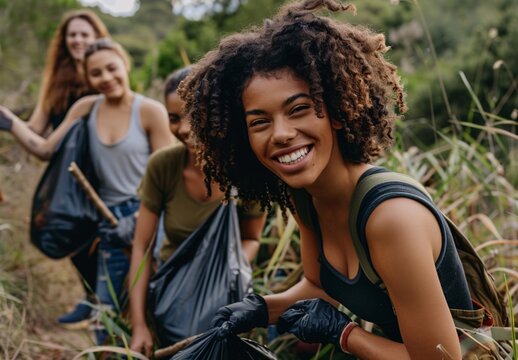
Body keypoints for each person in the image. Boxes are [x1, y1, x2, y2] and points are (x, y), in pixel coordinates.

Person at [177, 0, 476, 359]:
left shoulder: (391, 218)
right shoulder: (305, 196)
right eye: (259, 122)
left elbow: (441, 359)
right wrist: (262, 309)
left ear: (335, 112)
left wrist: (345, 333)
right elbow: (319, 286)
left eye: (298, 109)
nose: (281, 134)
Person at [0, 38, 173, 344]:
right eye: (96, 74)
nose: (106, 78)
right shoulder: (85, 108)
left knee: (156, 305)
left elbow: (169, 176)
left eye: (111, 68)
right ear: (86, 78)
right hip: (106, 222)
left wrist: (144, 221)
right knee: (104, 313)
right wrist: (9, 121)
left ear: (124, 64)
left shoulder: (150, 111)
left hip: (147, 216)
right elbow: (44, 149)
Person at [128, 67, 266, 357]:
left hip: (226, 301)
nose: (184, 129)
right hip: (170, 300)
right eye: (174, 118)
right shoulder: (163, 166)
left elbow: (251, 239)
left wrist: (226, 272)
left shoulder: (245, 171)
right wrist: (139, 324)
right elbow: (142, 247)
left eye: (193, 115)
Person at [6, 9, 110, 329]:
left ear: (97, 38)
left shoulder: (105, 74)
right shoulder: (55, 81)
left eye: (84, 34)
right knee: (71, 232)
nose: (77, 40)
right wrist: (13, 125)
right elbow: (37, 130)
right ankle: (91, 299)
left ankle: (104, 305)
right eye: (72, 35)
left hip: (101, 171)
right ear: (64, 41)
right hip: (67, 174)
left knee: (102, 239)